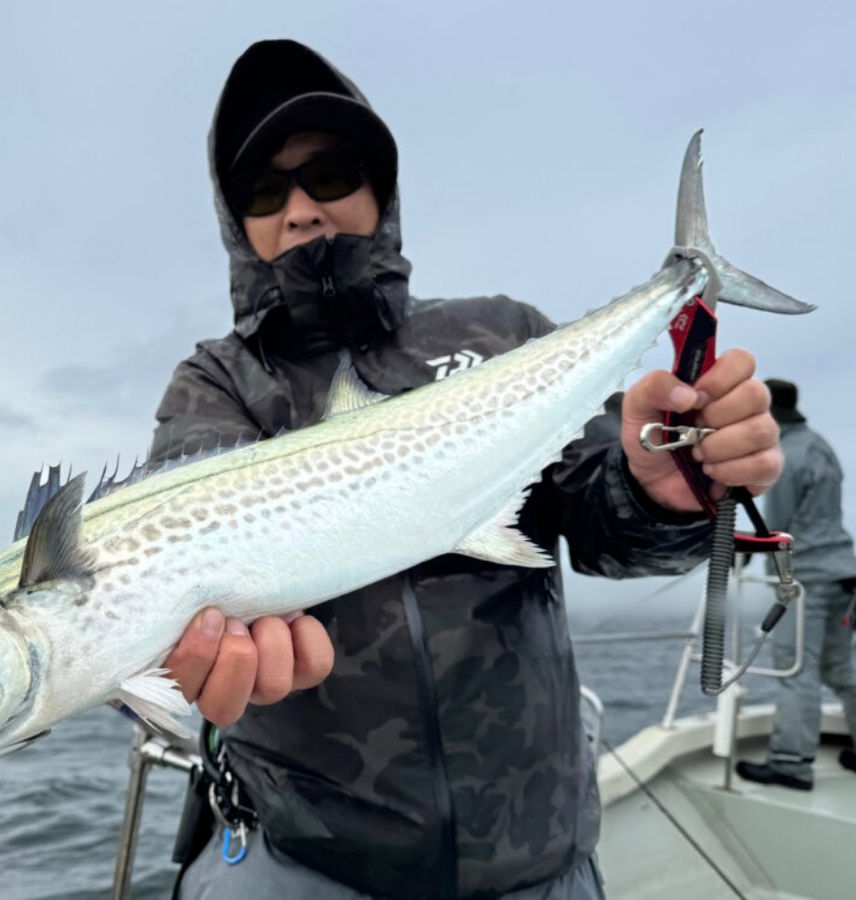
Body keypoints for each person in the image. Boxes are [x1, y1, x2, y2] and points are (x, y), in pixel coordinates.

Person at [151, 40, 783, 899]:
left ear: (380, 189)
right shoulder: (220, 380)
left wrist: (658, 494)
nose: (300, 210)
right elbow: (180, 550)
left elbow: (600, 516)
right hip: (310, 860)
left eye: (330, 174)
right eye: (265, 192)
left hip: (538, 854)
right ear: (239, 224)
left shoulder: (498, 335)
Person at [735, 379, 856, 791]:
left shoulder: (783, 454)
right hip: (844, 572)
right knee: (841, 668)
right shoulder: (821, 445)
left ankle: (791, 764)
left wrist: (744, 548)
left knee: (796, 670)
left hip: (808, 577)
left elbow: (777, 526)